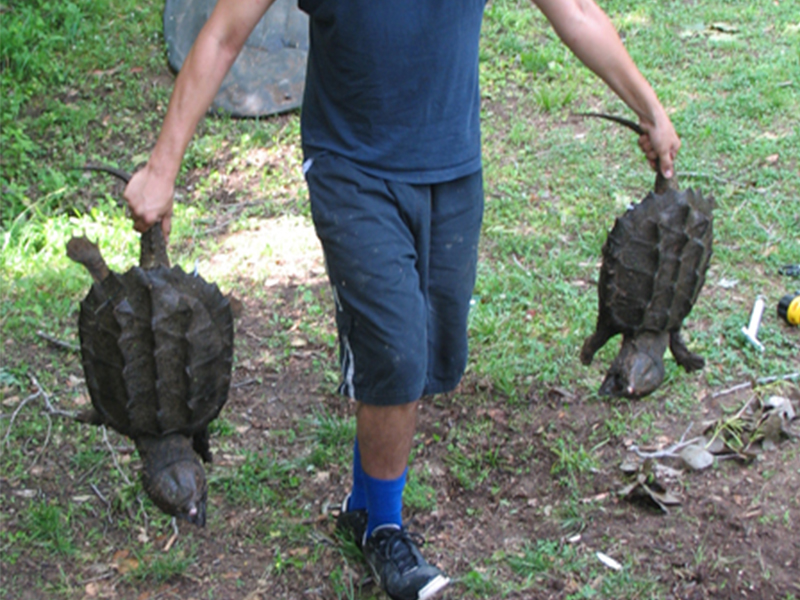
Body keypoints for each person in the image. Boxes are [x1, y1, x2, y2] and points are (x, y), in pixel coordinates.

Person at [124, 1, 681, 599]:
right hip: (350, 165)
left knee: (429, 353)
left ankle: (363, 507)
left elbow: (573, 12)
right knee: (395, 350)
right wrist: (163, 165)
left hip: (452, 167)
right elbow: (222, 35)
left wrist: (650, 107)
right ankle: (385, 529)